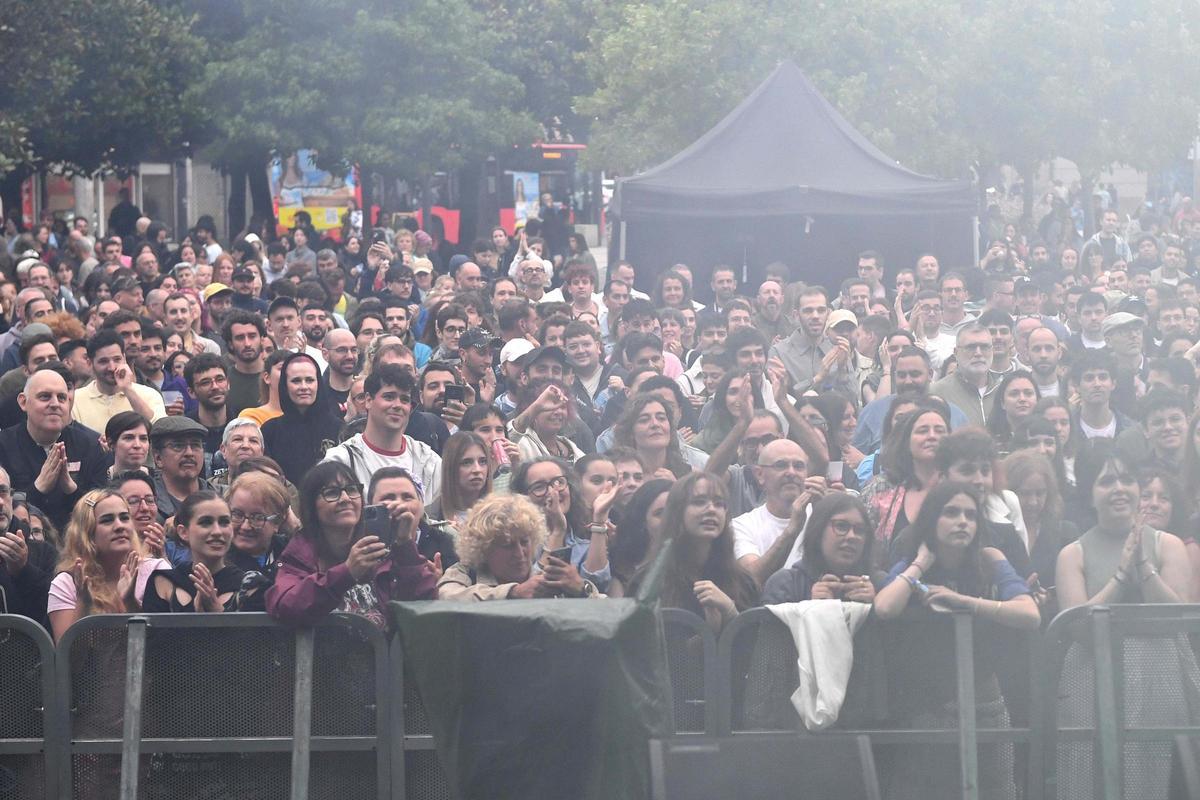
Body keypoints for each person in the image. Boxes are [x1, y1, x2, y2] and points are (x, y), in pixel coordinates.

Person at [873, 482, 1039, 800]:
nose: (963, 521)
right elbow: (884, 607)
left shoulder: (990, 557)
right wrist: (920, 564)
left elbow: (1030, 614)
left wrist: (964, 602)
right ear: (933, 518)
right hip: (924, 707)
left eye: (970, 514)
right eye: (951, 513)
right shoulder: (914, 560)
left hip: (985, 704)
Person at [266, 461, 437, 627]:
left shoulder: (379, 545)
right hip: (323, 655)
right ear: (312, 506)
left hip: (382, 655)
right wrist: (347, 572)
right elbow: (285, 605)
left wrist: (405, 545)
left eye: (352, 490)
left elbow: (423, 601)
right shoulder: (300, 553)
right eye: (332, 493)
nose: (345, 498)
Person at [629, 471, 758, 633]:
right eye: (699, 502)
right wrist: (707, 634)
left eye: (719, 504)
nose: (711, 509)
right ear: (677, 512)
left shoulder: (744, 582)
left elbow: (756, 652)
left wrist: (731, 612)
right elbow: (641, 651)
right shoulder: (647, 583)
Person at [48, 488, 171, 641]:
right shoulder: (67, 583)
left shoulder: (156, 571)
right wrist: (83, 603)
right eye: (107, 520)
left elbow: (165, 647)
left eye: (125, 518)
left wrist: (130, 602)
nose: (120, 526)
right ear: (87, 531)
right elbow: (68, 660)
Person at [0, 368, 110, 531]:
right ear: (23, 402)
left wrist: (71, 489)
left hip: (79, 539)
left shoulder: (91, 445)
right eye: (45, 397)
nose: (55, 404)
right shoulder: (3, 445)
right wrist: (38, 487)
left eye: (62, 398)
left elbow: (102, 510)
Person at [438, 493, 597, 600]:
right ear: (484, 549)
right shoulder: (465, 573)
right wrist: (513, 593)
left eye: (524, 542)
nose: (519, 553)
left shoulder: (548, 579)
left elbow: (608, 612)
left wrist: (582, 589)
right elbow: (447, 597)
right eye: (507, 545)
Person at [323, 364, 442, 502]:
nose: (397, 405)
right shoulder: (342, 460)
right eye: (389, 397)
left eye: (404, 399)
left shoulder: (429, 461)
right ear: (368, 400)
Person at [858, 399, 951, 565]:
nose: (932, 436)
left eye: (939, 431)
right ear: (906, 440)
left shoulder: (959, 486)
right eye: (923, 431)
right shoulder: (878, 488)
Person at [731, 438, 826, 586]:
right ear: (760, 474)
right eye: (781, 465)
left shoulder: (822, 514)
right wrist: (792, 531)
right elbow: (750, 579)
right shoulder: (742, 525)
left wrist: (825, 517)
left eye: (799, 466)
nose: (791, 472)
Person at [511, 457, 611, 592]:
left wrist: (599, 518)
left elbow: (599, 588)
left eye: (559, 482)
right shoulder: (516, 543)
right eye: (539, 487)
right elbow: (534, 592)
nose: (553, 492)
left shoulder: (584, 540)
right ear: (523, 496)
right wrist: (558, 530)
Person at [760, 492, 876, 604]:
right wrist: (811, 609)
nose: (852, 536)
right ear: (819, 531)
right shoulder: (786, 584)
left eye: (859, 530)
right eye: (841, 526)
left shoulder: (879, 587)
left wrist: (874, 610)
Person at [142, 491, 244, 612]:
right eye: (205, 522)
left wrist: (217, 612)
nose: (217, 531)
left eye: (224, 522)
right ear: (183, 532)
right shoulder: (162, 582)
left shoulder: (250, 586)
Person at [260, 352, 343, 485]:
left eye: (310, 380)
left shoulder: (338, 427)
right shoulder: (270, 430)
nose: (304, 387)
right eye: (296, 381)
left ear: (318, 383)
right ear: (285, 386)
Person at [72, 330, 166, 432]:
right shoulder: (76, 400)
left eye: (117, 359)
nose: (112, 367)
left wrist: (128, 390)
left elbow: (161, 430)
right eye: (103, 361)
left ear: (124, 358)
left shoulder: (150, 395)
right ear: (90, 363)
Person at [611, 394, 693, 479]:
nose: (655, 424)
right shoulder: (614, 474)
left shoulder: (690, 477)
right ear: (630, 432)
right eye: (644, 420)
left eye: (661, 418)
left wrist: (676, 489)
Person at [148, 416, 211, 523]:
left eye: (195, 445)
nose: (189, 453)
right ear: (158, 458)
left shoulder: (223, 497)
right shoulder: (146, 505)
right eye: (178, 446)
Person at [428, 431, 491, 526]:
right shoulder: (430, 516)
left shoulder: (500, 512)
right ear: (451, 468)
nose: (477, 470)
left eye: (482, 461)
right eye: (467, 462)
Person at [103, 411, 151, 478]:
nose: (137, 445)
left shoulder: (159, 482)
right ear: (111, 444)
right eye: (129, 438)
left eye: (143, 438)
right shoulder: (97, 481)